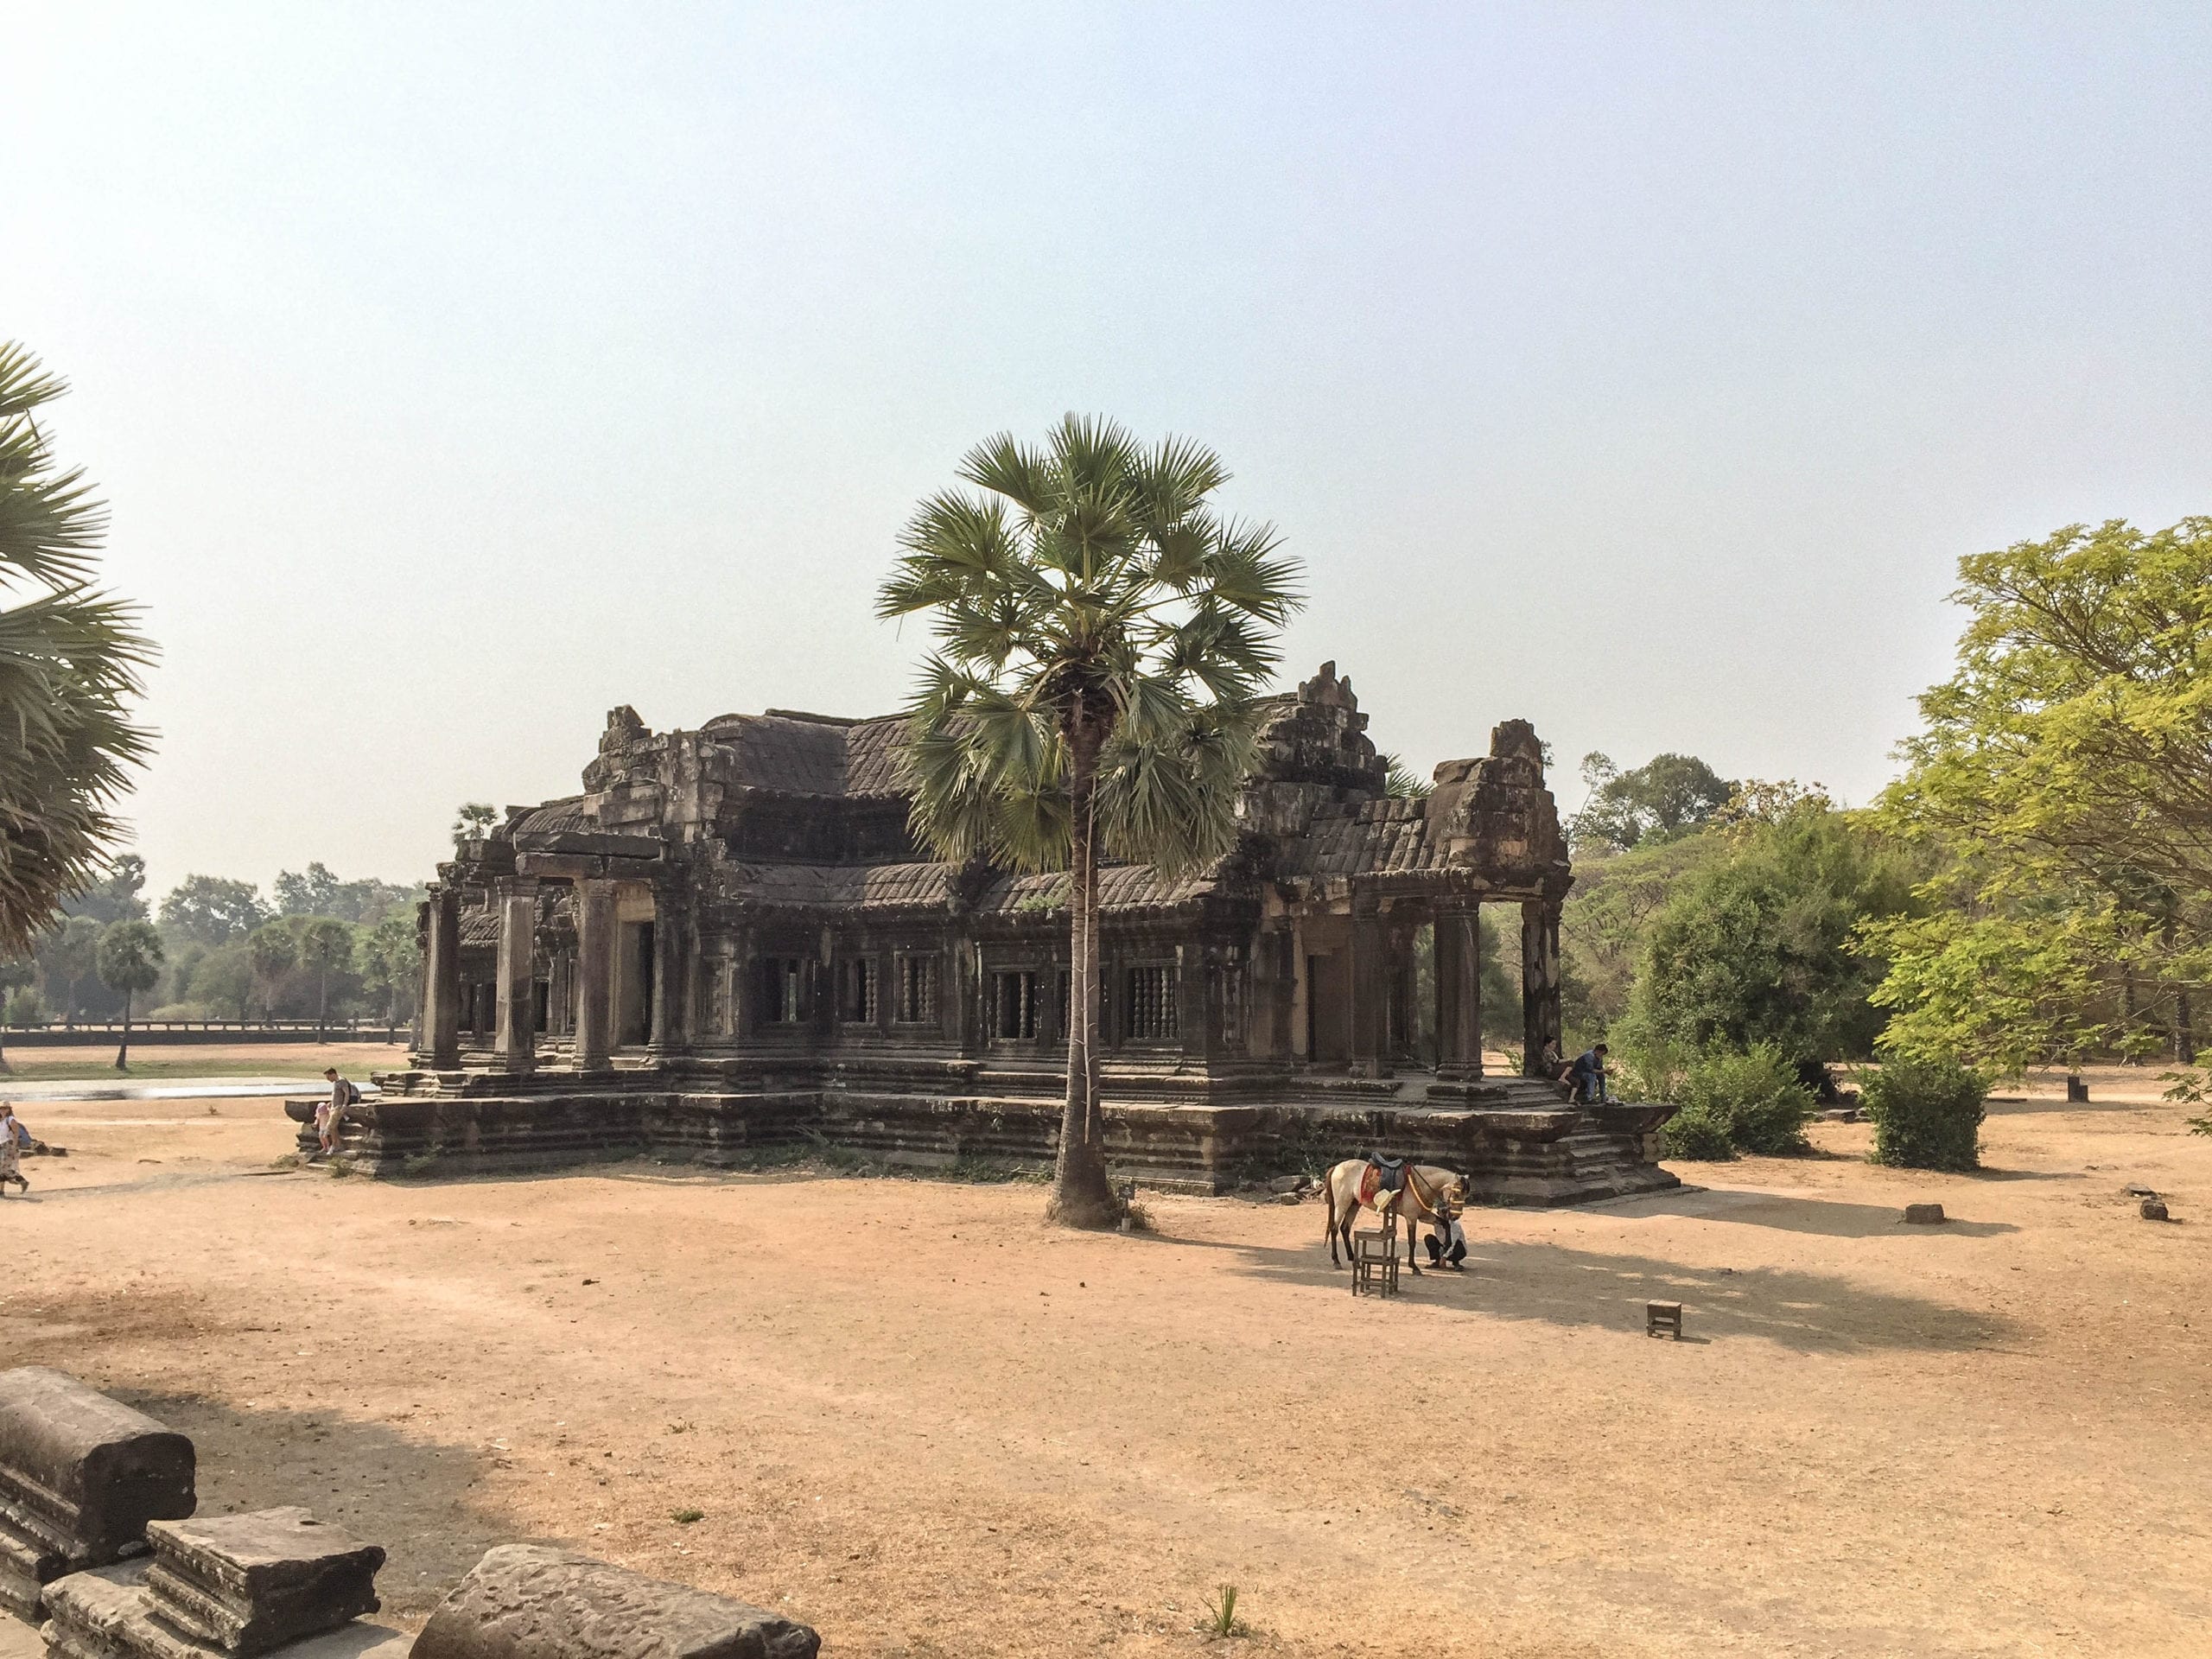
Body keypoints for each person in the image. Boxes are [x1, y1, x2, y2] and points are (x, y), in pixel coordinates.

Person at [315, 1069, 361, 1159]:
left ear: (333, 1074)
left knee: (330, 1127)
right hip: (334, 1107)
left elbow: (346, 1094)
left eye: (328, 1076)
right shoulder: (336, 1083)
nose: (328, 1079)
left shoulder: (342, 1081)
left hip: (338, 1108)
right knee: (334, 1127)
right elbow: (336, 1095)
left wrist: (344, 1105)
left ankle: (334, 1146)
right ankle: (338, 1145)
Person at [1565, 1041, 1611, 1105]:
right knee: (1592, 1076)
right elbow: (1591, 1070)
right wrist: (1603, 1071)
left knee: (1601, 1076)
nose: (1601, 1055)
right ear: (1597, 1051)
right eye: (1601, 1053)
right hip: (1579, 1072)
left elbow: (1599, 1068)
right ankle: (1590, 1098)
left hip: (1588, 1072)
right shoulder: (1589, 1056)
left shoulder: (1599, 1057)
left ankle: (1603, 1096)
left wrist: (1606, 1071)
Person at [0, 1105, 28, 1195]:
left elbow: (16, 1134)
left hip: (8, 1146)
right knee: (2, 1169)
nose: (2, 1110)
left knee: (4, 1169)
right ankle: (1, 1190)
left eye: (4, 1108)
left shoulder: (10, 1119)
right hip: (1, 1145)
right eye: (1, 1108)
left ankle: (22, 1180)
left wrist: (14, 1147)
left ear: (8, 1109)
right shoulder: (2, 1120)